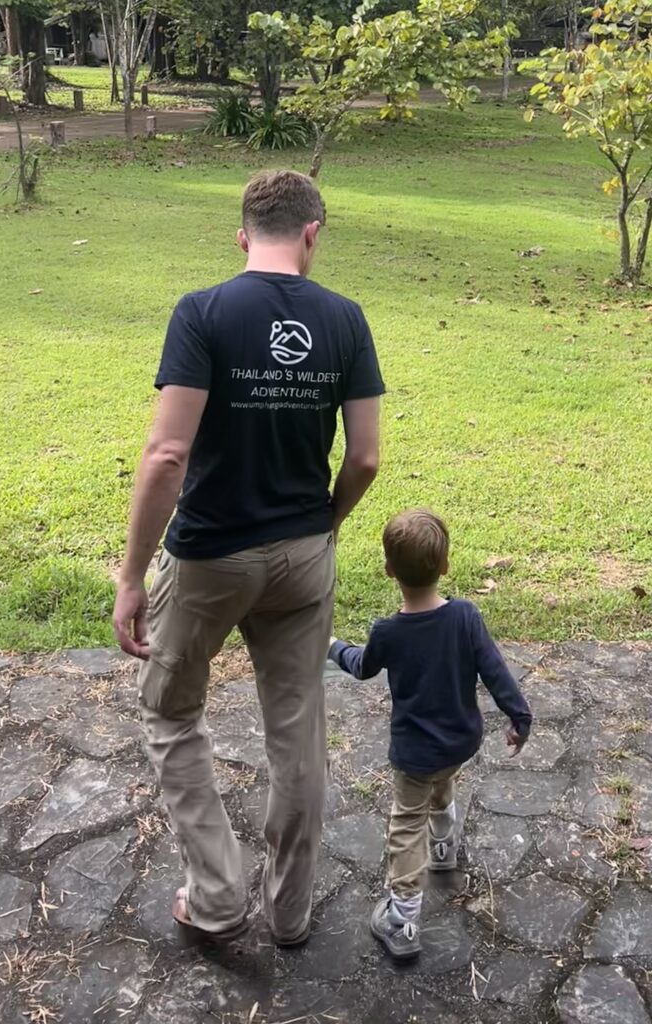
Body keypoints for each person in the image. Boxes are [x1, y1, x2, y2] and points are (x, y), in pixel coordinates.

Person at [112, 170, 384, 947]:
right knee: (296, 730)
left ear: (242, 236)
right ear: (312, 234)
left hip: (208, 558)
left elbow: (168, 453)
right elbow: (364, 458)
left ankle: (220, 897)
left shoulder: (203, 311)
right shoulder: (346, 318)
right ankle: (291, 914)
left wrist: (132, 575)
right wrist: (320, 526)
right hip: (304, 555)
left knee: (170, 711)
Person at [328, 509, 532, 961]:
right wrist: (520, 715)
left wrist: (333, 646)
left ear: (387, 571)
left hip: (415, 755)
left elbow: (362, 667)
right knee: (444, 782)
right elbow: (496, 671)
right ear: (445, 565)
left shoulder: (388, 632)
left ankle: (402, 918)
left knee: (405, 826)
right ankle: (443, 848)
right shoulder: (464, 616)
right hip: (459, 743)